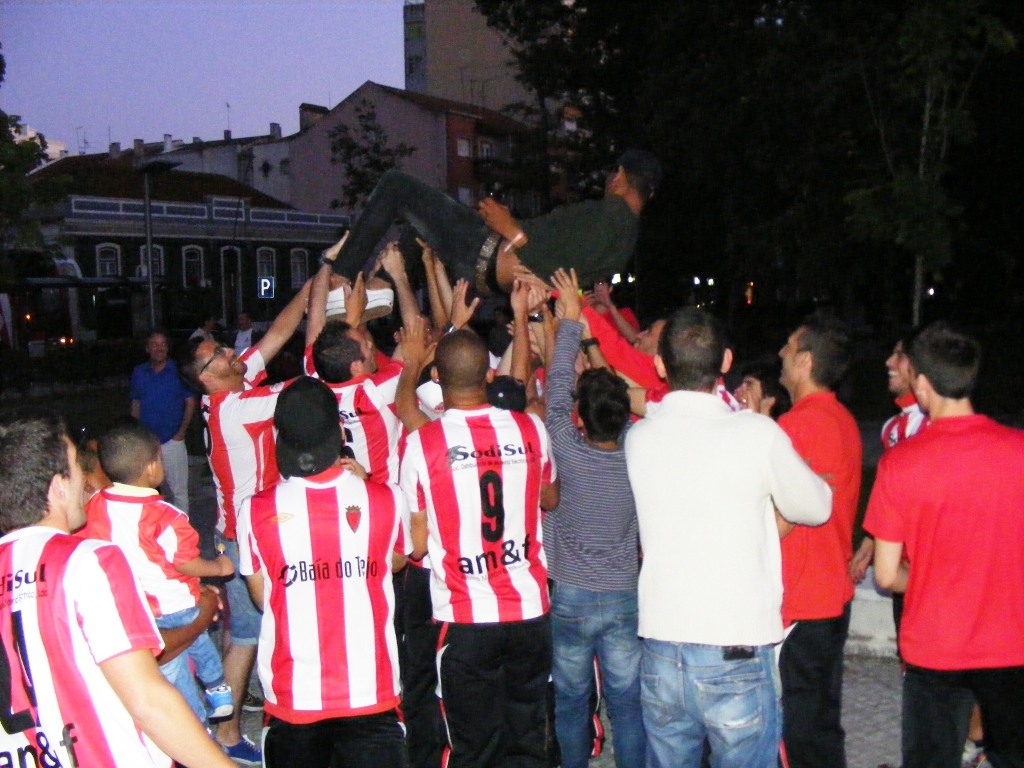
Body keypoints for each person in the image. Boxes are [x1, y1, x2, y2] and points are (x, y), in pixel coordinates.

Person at [624, 307, 832, 768]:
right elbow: (816, 506)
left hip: (661, 646)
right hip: (736, 649)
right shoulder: (756, 433)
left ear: (660, 365)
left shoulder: (640, 439)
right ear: (726, 362)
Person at [0, 411, 236, 768]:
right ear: (59, 486)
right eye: (78, 469)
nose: (87, 480)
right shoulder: (88, 561)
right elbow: (147, 699)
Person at [865, 322, 1024, 768]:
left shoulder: (901, 463)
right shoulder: (1018, 450)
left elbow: (885, 574)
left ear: (922, 383)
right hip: (1012, 644)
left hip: (935, 647)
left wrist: (928, 579)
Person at [399, 329, 559, 767]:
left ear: (437, 376)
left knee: (473, 746)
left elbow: (417, 546)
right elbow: (550, 497)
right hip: (529, 610)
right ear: (489, 375)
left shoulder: (422, 444)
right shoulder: (531, 428)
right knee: (528, 738)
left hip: (464, 618)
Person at [238, 376, 410, 767]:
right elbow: (396, 560)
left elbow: (263, 597)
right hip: (371, 692)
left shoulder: (256, 510)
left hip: (293, 697)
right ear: (339, 432)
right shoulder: (387, 498)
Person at [186, 278, 313, 765]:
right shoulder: (237, 407)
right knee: (245, 637)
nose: (229, 352)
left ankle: (232, 712)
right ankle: (227, 733)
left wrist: (310, 287)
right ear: (206, 377)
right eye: (218, 354)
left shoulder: (233, 390)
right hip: (247, 539)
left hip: (239, 534)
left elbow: (278, 333)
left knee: (242, 633)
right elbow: (309, 387)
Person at [544, 269, 645, 768]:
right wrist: (579, 320)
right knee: (627, 702)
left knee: (571, 700)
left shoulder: (566, 447)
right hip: (623, 592)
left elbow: (556, 387)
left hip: (572, 594)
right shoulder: (639, 451)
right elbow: (578, 395)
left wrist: (569, 319)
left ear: (579, 417)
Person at [77, 421, 236, 726]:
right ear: (152, 467)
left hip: (134, 611)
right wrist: (219, 567)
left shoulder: (94, 508)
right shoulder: (166, 517)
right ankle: (210, 705)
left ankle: (200, 716)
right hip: (176, 606)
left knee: (173, 675)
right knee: (195, 648)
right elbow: (185, 562)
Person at [330, 150, 661, 293]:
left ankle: (340, 277)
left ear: (620, 175)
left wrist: (511, 229)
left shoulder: (612, 213)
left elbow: (552, 265)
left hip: (484, 250)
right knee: (418, 229)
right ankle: (382, 288)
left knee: (396, 184)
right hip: (487, 274)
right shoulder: (624, 241)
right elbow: (565, 272)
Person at [777, 311, 862, 768]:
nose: (781, 354)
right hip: (832, 592)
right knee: (822, 721)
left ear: (806, 361)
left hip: (802, 599)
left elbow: (777, 516)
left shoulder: (798, 426)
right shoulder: (842, 419)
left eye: (789, 348)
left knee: (798, 728)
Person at [131, 330, 196, 514]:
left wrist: (180, 433)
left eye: (163, 344)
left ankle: (183, 527)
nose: (159, 348)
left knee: (179, 491)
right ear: (147, 348)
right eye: (154, 344)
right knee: (149, 491)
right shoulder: (139, 372)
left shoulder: (178, 371)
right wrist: (135, 433)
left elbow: (190, 402)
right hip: (147, 442)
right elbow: (136, 402)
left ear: (168, 348)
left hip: (172, 440)